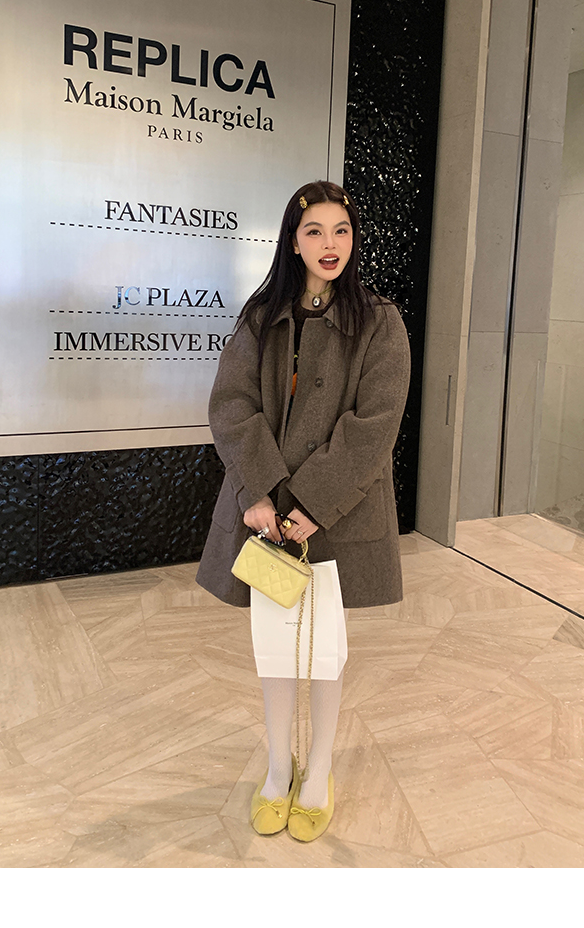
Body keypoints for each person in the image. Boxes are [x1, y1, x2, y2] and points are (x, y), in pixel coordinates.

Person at [196, 180, 411, 841]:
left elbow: (375, 423)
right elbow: (231, 405)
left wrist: (315, 502)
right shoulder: (261, 317)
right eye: (314, 231)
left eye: (341, 230)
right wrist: (258, 493)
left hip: (339, 514)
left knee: (323, 650)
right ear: (293, 241)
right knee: (275, 649)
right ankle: (277, 768)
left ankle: (318, 772)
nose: (329, 244)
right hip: (266, 517)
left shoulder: (380, 321)